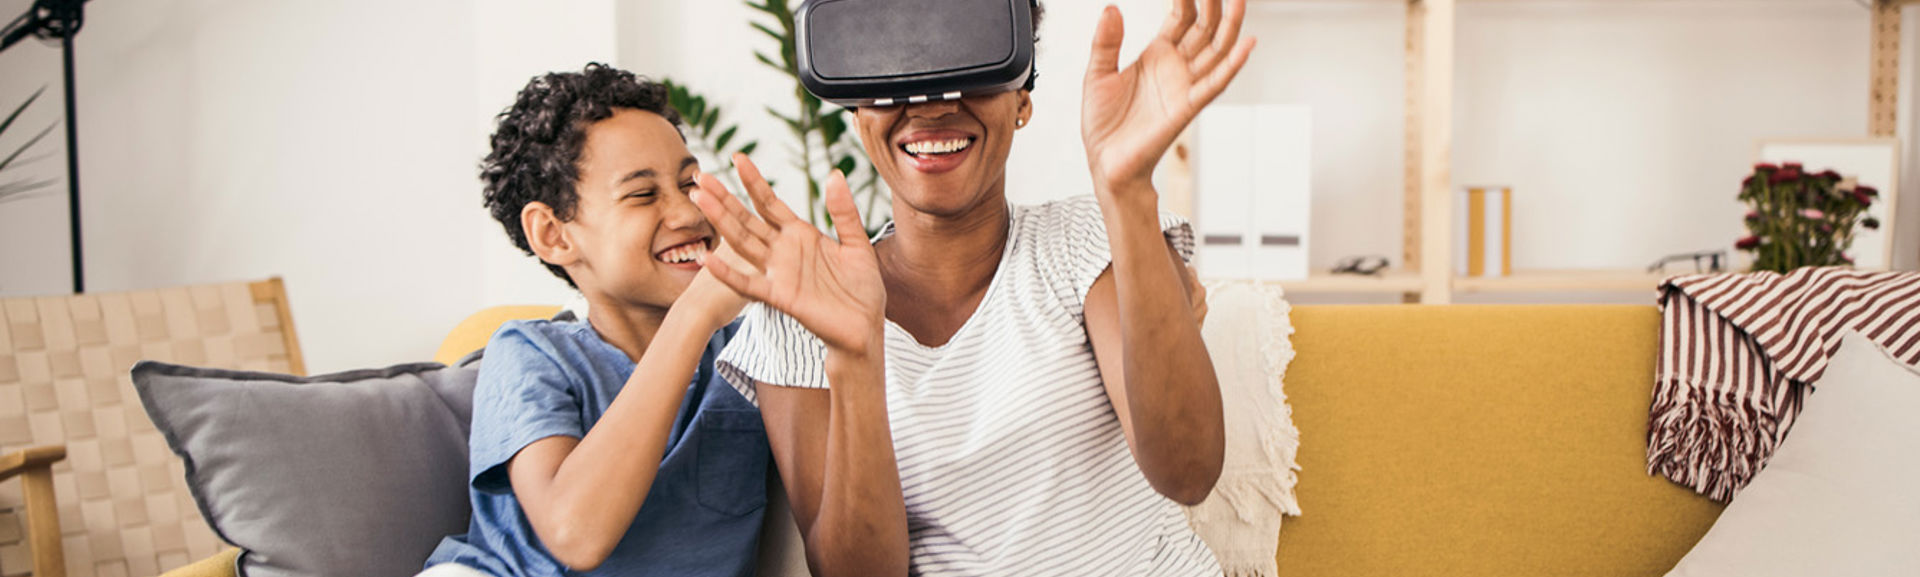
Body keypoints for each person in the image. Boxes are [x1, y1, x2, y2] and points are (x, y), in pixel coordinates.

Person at [690, 0, 1255, 574]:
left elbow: (1188, 473)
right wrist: (857, 356)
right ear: (859, 113)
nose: (933, 103)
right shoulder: (800, 311)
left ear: (1021, 101)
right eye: (897, 70)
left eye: (970, 62)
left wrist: (1128, 190)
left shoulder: (1092, 241)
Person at [421, 63, 770, 577]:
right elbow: (575, 535)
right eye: (643, 194)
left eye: (690, 184)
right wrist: (695, 314)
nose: (688, 213)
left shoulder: (750, 351)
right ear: (554, 235)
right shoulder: (531, 355)